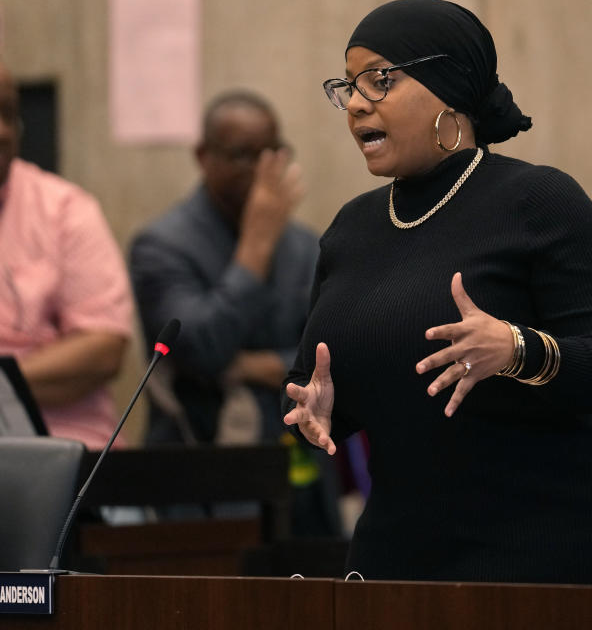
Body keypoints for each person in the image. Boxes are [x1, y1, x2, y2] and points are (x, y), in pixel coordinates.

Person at [283, 0, 592, 584]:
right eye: (347, 85)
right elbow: (316, 385)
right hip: (401, 534)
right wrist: (317, 409)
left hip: (544, 527)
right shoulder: (352, 228)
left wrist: (516, 348)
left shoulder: (541, 202)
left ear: (447, 87)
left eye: (378, 81)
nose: (353, 104)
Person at [129, 91, 341, 534]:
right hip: (200, 484)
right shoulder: (161, 246)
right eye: (243, 155)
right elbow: (200, 348)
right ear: (203, 157)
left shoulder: (305, 245)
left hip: (298, 483)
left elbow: (329, 351)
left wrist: (260, 366)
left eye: (272, 153)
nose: (262, 169)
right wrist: (255, 248)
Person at [0, 59, 133, 450]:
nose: (2, 131)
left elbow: (103, 350)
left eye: (8, 114)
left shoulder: (65, 209)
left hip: (63, 452)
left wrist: (5, 387)